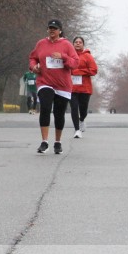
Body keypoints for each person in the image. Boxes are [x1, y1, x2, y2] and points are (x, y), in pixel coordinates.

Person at [29, 20, 79, 154]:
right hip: (44, 81)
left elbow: (75, 63)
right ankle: (44, 142)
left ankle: (57, 142)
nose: (52, 30)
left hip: (62, 85)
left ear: (60, 31)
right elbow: (33, 58)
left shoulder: (67, 45)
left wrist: (63, 56)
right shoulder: (41, 43)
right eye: (50, 28)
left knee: (59, 113)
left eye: (54, 28)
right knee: (45, 108)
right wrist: (34, 67)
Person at [69, 36, 98, 138]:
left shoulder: (87, 56)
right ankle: (77, 130)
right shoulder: (69, 55)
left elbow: (94, 70)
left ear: (83, 44)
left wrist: (79, 72)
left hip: (85, 88)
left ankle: (81, 119)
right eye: (76, 42)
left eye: (80, 42)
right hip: (72, 88)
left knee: (83, 110)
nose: (78, 43)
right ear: (73, 44)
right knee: (74, 108)